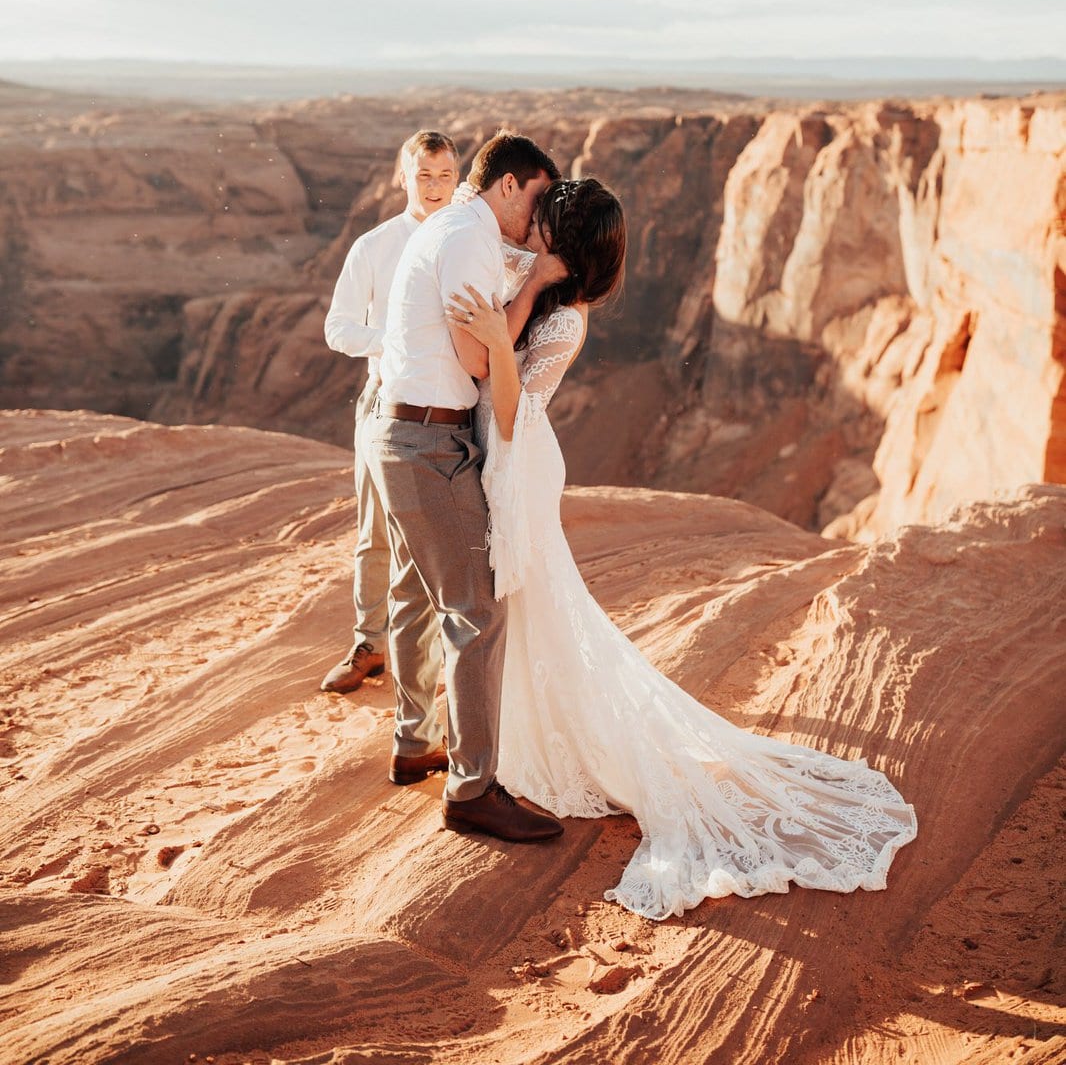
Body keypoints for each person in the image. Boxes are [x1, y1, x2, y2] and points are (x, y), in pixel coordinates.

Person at [446, 177, 919, 921]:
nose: (528, 229)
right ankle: (512, 742)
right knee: (519, 608)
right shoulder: (529, 284)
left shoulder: (565, 322)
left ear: (562, 248)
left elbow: (510, 411)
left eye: (541, 225)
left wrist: (501, 321)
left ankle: (549, 749)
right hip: (503, 458)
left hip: (520, 461)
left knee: (534, 604)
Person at [362, 132, 570, 843]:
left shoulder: (458, 229)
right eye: (538, 198)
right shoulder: (468, 239)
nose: (538, 218)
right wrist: (535, 287)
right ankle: (472, 790)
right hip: (428, 443)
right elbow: (480, 360)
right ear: (508, 185)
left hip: (415, 435)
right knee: (476, 613)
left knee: (425, 596)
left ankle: (416, 745)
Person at [320, 129, 461, 694]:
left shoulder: (469, 243)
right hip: (385, 403)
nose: (433, 186)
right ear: (402, 177)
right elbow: (338, 329)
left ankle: (442, 655)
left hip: (454, 407)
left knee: (444, 538)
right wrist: (399, 341)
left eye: (444, 175)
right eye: (423, 175)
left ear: (458, 179)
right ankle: (369, 645)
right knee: (376, 532)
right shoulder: (374, 247)